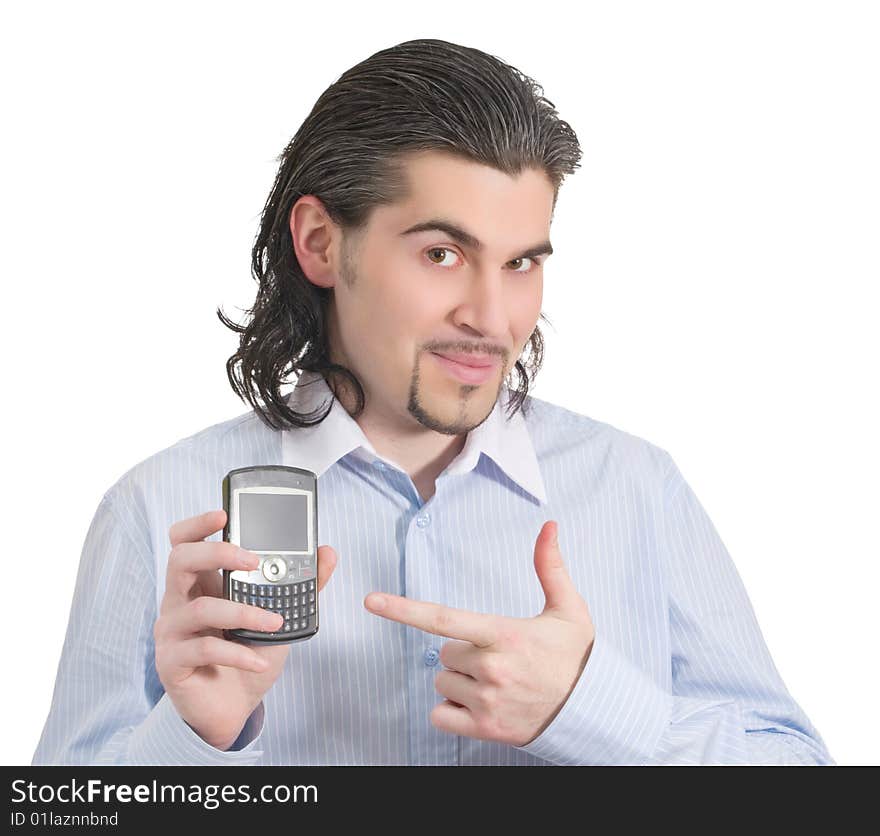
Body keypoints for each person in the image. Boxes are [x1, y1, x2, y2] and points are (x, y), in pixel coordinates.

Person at [33, 38, 834, 766]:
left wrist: (587, 708)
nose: (492, 317)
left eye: (521, 263)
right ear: (320, 243)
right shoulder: (153, 510)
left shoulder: (637, 489)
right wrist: (195, 738)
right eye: (443, 253)